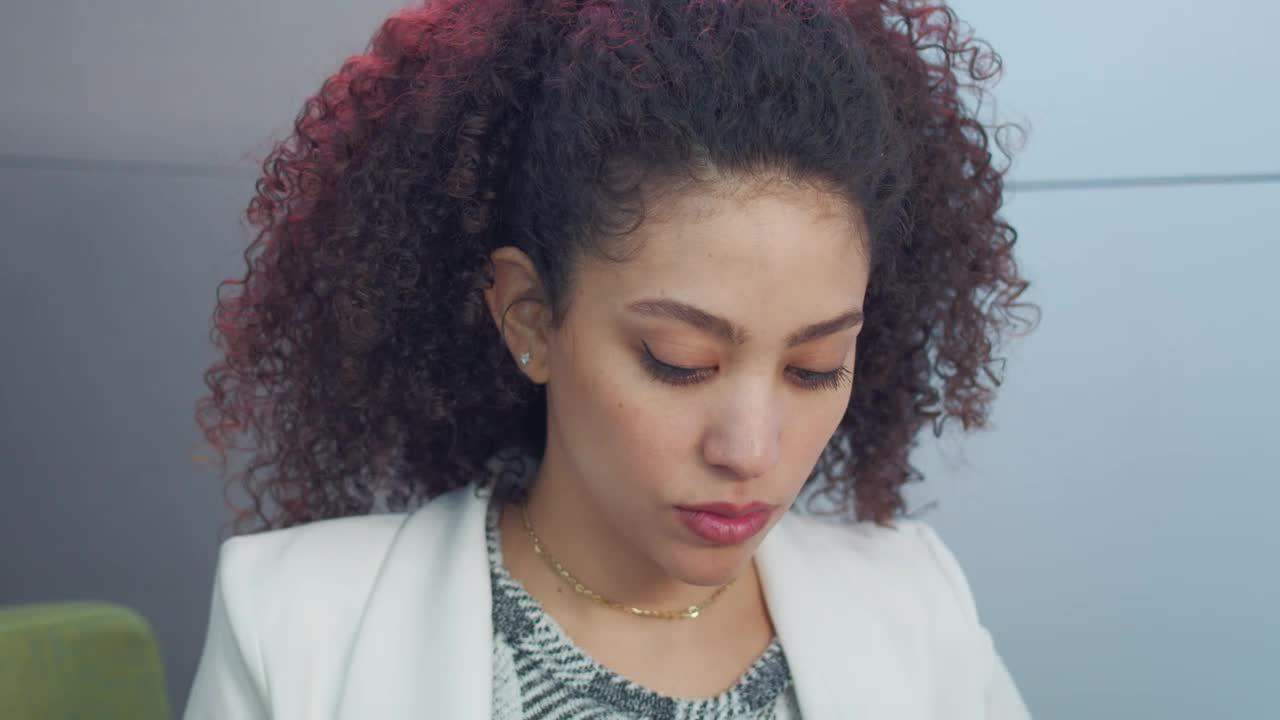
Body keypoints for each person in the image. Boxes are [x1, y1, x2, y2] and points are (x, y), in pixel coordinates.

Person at [184, 0, 1039, 717]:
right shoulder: (292, 624)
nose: (750, 450)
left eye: (814, 367)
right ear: (531, 317)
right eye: (678, 360)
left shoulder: (921, 616)